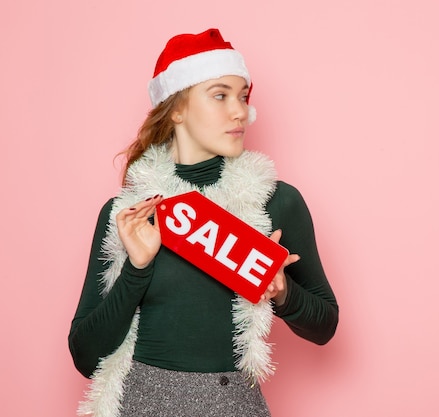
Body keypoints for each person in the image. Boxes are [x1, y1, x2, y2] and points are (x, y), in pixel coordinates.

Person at [68, 28, 339, 417]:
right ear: (176, 108)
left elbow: (325, 325)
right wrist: (136, 270)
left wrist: (282, 290)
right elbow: (84, 354)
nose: (240, 111)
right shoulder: (130, 214)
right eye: (220, 95)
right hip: (140, 403)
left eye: (243, 97)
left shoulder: (276, 203)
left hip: (233, 404)